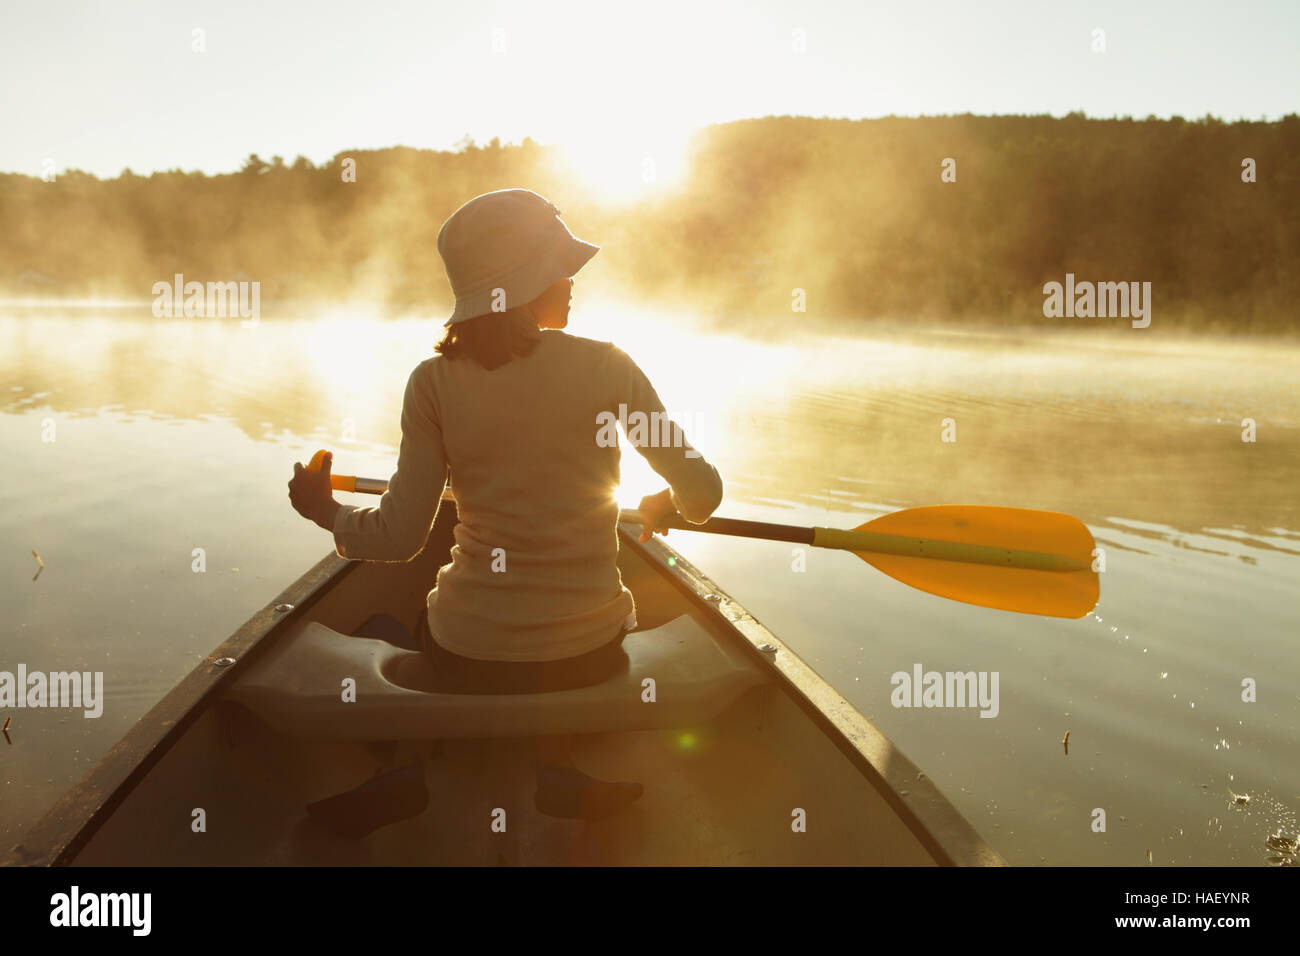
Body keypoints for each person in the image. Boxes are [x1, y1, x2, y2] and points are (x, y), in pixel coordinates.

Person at [287, 188, 723, 822]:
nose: (572, 279)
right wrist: (669, 500)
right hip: (590, 653)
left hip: (468, 652)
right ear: (522, 282)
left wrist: (323, 510)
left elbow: (400, 537)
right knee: (551, 662)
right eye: (557, 266)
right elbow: (703, 494)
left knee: (386, 628)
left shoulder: (432, 382)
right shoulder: (609, 367)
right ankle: (557, 765)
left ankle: (404, 765)